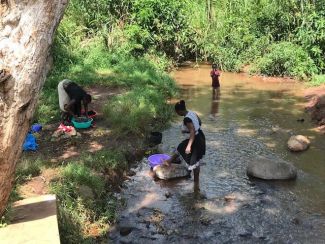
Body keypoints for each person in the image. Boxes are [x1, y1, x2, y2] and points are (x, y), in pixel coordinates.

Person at [164, 100, 206, 192]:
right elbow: (199, 122)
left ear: (179, 111)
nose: (177, 114)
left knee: (194, 161)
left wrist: (189, 146)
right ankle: (169, 161)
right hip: (200, 137)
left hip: (195, 140)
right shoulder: (191, 113)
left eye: (176, 112)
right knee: (180, 147)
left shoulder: (187, 119)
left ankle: (196, 183)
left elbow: (192, 131)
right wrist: (191, 131)